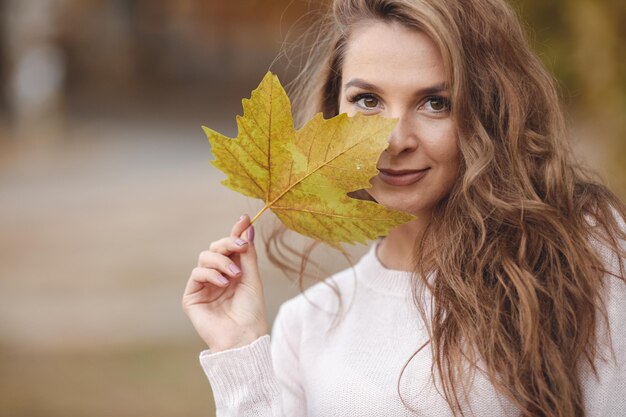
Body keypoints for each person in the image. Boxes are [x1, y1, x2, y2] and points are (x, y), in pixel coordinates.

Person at [182, 0, 626, 416]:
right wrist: (238, 346)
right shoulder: (307, 324)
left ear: (489, 111)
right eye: (368, 101)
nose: (395, 141)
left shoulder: (581, 250)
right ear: (334, 109)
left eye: (435, 103)